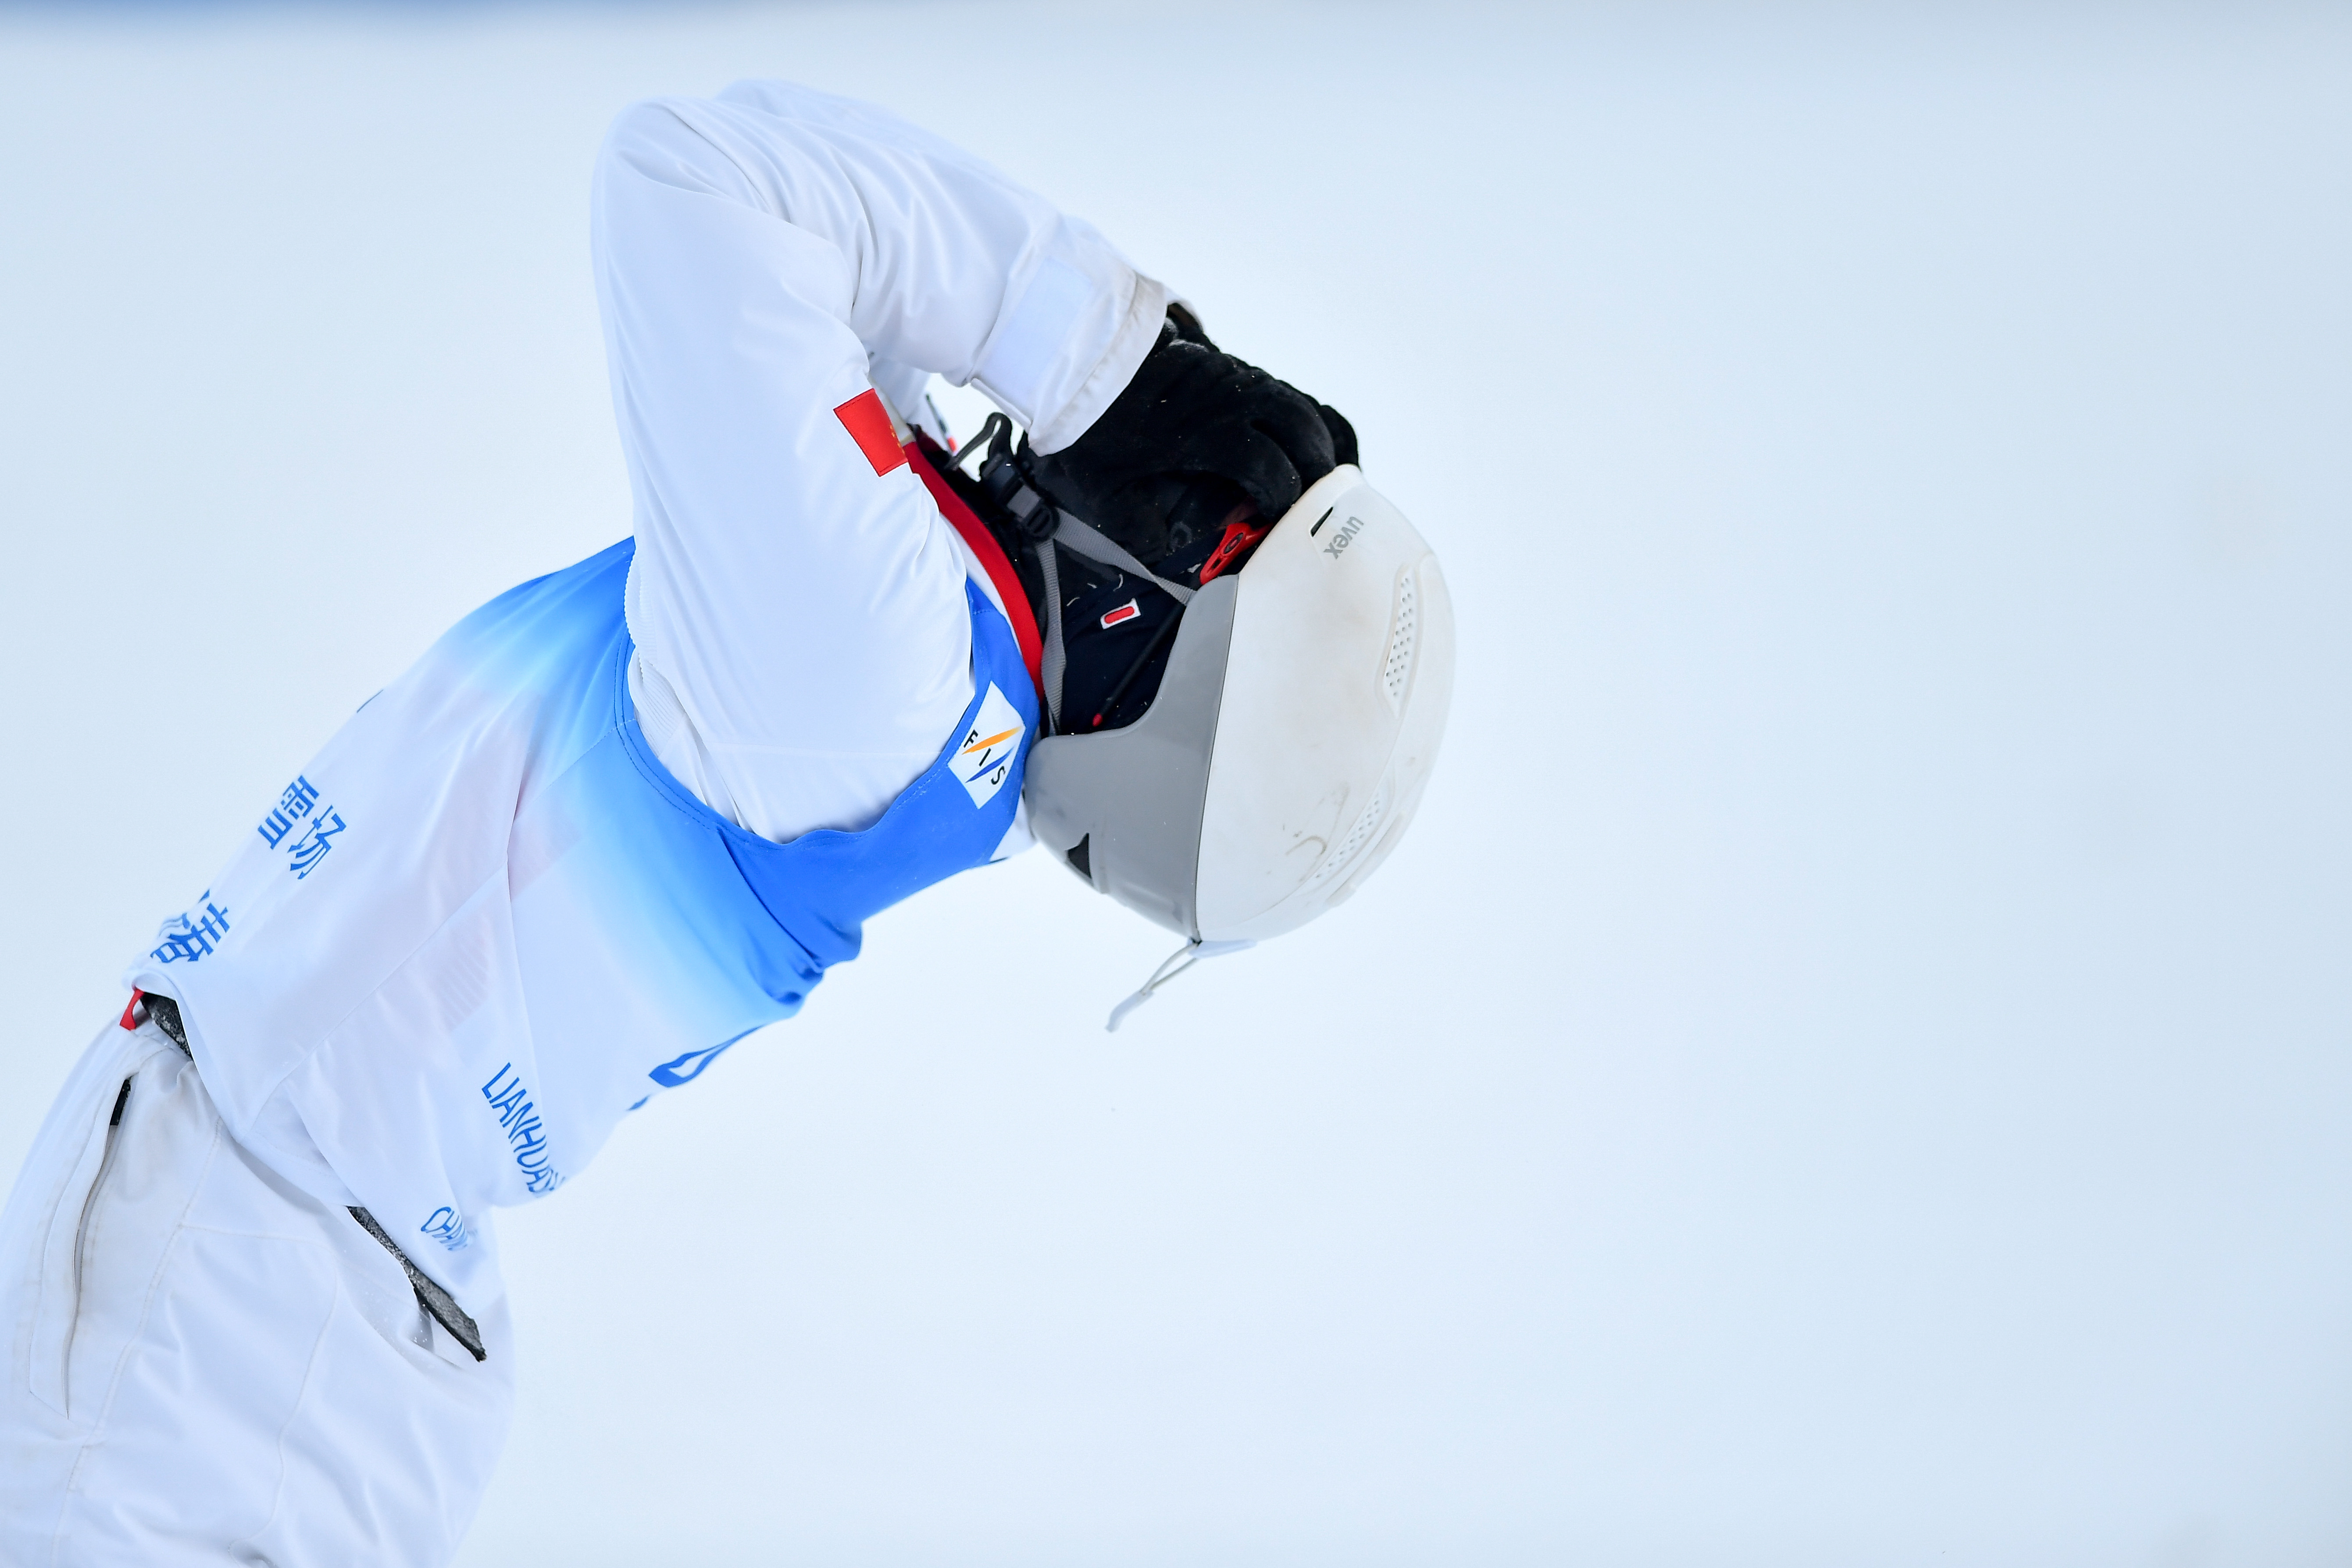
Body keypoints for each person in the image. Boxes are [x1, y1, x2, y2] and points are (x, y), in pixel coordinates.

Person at [0, 80, 1453, 1566]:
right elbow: (851, 355)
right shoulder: (926, 724)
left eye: (1207, 529)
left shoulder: (865, 669)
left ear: (1159, 647)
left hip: (221, 1304)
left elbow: (692, 177)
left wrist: (1108, 358)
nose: (1161, 480)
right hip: (342, 1324)